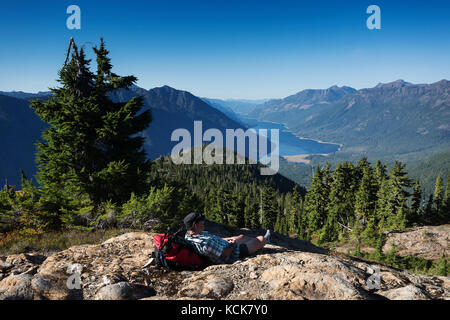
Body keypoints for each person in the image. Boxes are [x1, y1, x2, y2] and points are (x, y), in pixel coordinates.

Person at [183, 212, 271, 264]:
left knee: (241, 236)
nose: (203, 222)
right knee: (261, 238)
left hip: (225, 245)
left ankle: (255, 245)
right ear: (195, 225)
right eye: (201, 221)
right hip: (234, 253)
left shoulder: (189, 235)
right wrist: (233, 244)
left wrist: (226, 240)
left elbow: (214, 241)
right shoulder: (205, 244)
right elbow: (225, 254)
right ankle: (262, 242)